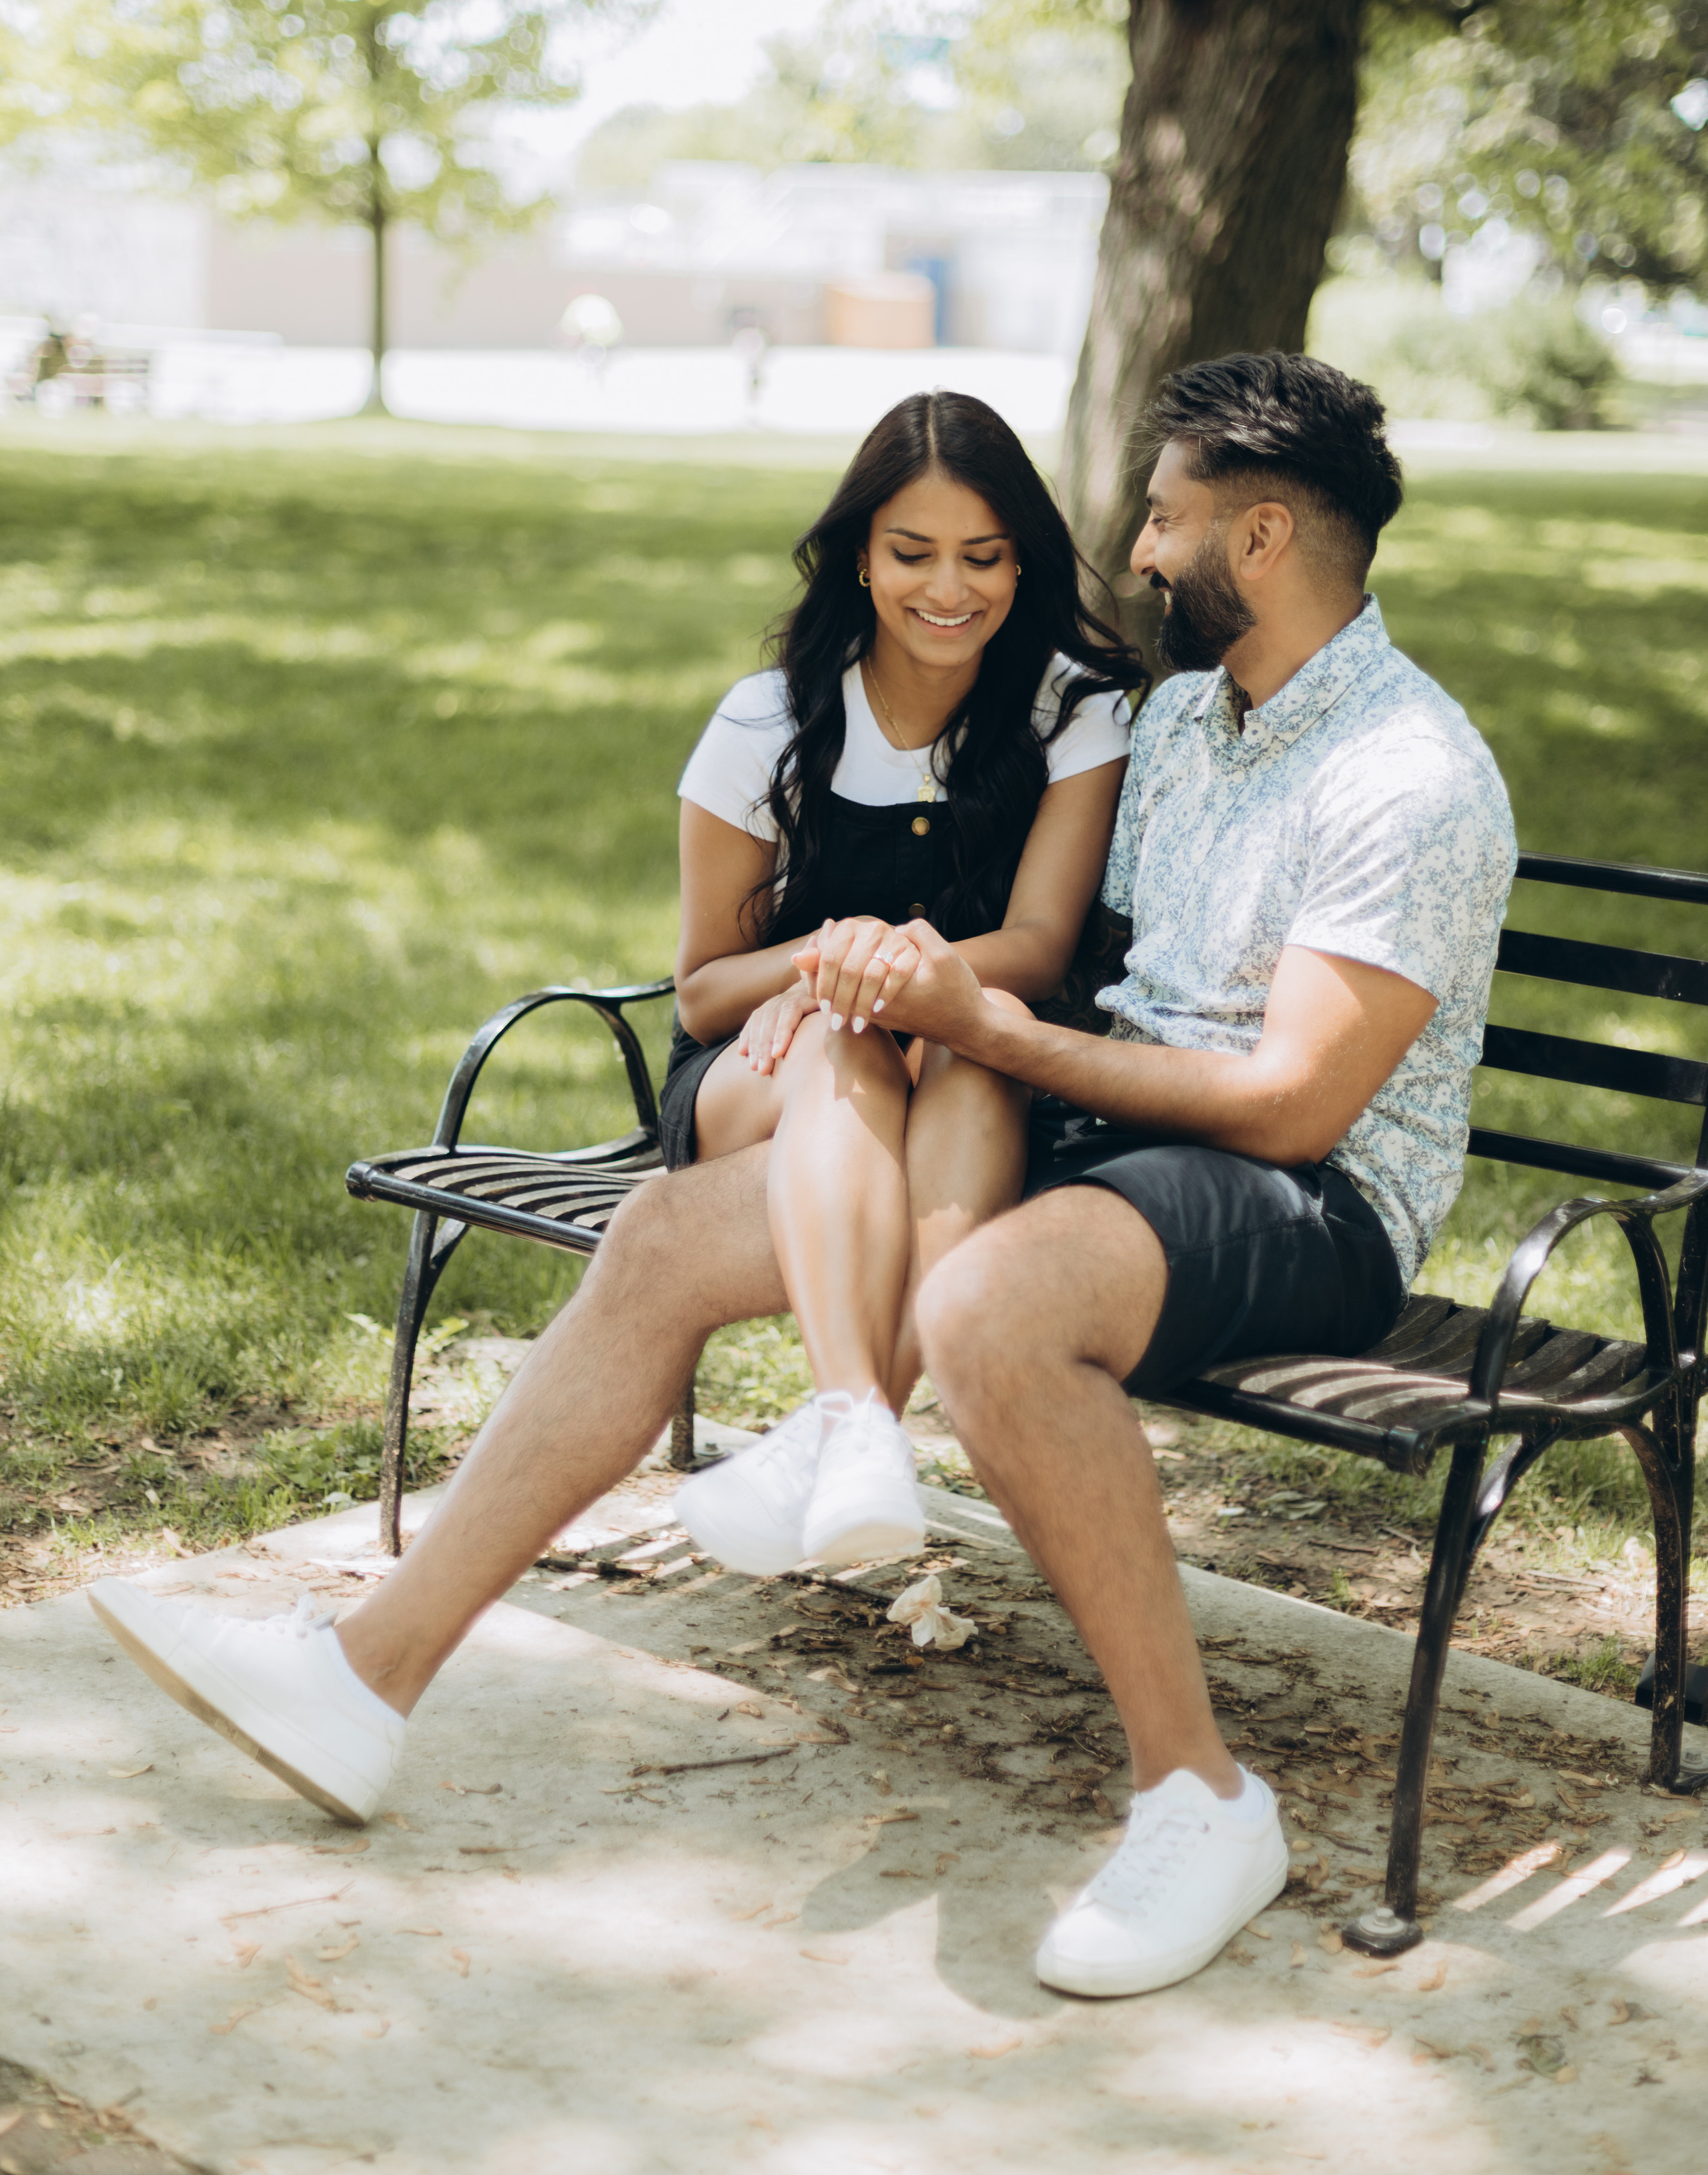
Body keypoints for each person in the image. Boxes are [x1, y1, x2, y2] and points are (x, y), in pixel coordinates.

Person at [86, 352, 1515, 2011]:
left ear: (1258, 539)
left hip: (1301, 1196)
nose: (1137, 552)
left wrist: (971, 1019)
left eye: (1168, 519)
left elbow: (1281, 1106)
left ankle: (1197, 1795)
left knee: (990, 1301)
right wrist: (872, 1009)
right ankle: (361, 1674)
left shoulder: (1403, 776)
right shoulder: (1191, 721)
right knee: (667, 1231)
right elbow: (1001, 910)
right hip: (1108, 1130)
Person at [664, 389, 1141, 1578]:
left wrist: (894, 974)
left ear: (1023, 562)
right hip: (762, 1076)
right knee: (846, 1044)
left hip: (960, 1060)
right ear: (862, 561)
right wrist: (833, 971)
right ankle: (858, 1424)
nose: (950, 588)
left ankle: (852, 1431)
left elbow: (1035, 943)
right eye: (913, 553)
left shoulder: (1069, 712)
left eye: (983, 557)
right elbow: (703, 993)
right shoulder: (769, 719)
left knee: (978, 1043)